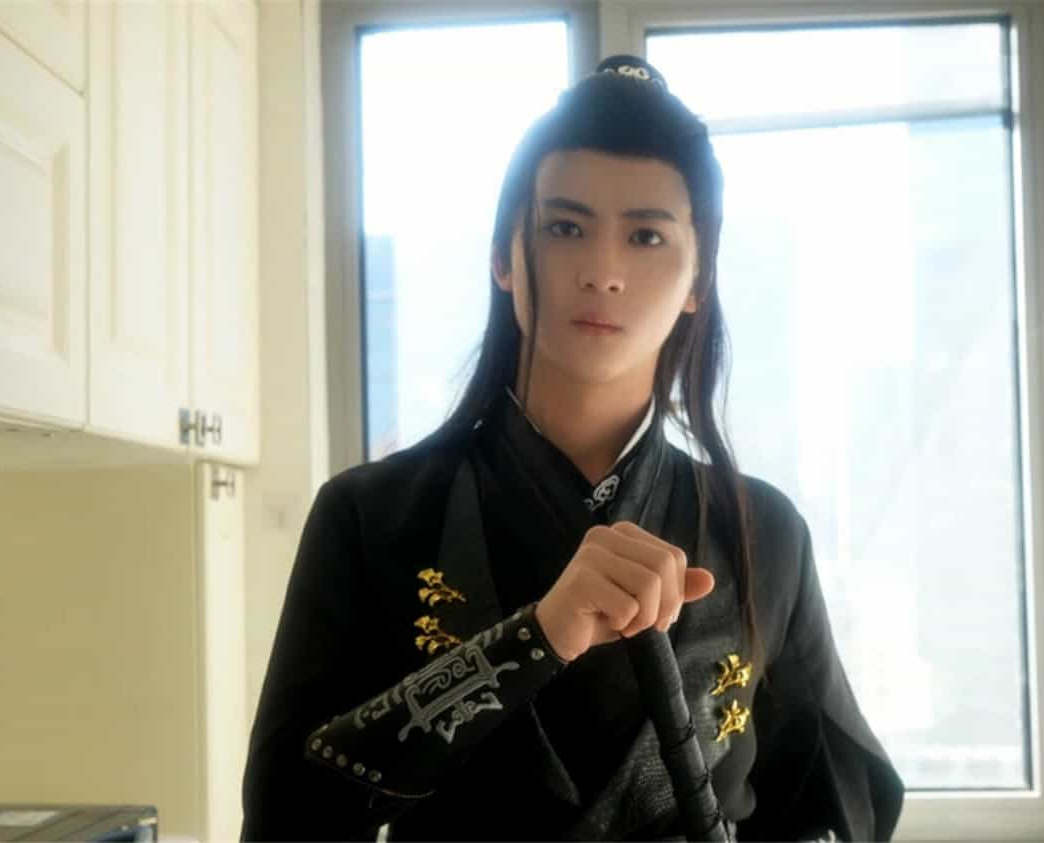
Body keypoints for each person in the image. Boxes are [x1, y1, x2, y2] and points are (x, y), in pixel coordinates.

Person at [241, 55, 904, 841]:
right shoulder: (371, 516)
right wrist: (538, 635)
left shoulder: (764, 533)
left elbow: (830, 806)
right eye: (565, 227)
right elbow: (288, 812)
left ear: (699, 280)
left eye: (647, 235)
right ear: (502, 256)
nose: (603, 271)